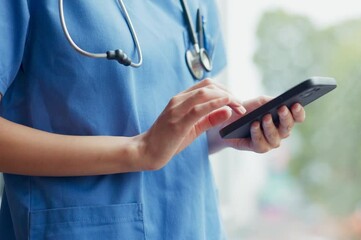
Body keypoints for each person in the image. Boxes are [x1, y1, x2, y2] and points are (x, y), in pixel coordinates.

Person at [0, 0, 305, 239]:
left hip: (193, 225)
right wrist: (138, 151)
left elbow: (165, 130)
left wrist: (226, 126)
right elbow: (150, 144)